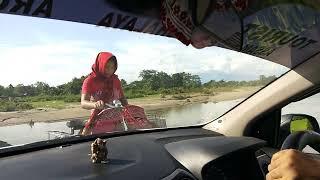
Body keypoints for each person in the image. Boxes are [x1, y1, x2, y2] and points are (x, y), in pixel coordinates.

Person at [81, 52, 128, 134]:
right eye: (107, 67)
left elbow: (123, 99)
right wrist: (95, 104)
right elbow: (83, 103)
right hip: (97, 121)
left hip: (117, 121)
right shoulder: (90, 80)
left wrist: (127, 109)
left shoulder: (115, 80)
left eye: (112, 67)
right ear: (100, 65)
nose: (109, 71)